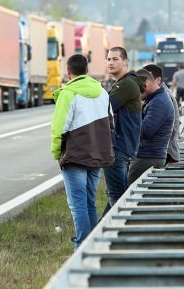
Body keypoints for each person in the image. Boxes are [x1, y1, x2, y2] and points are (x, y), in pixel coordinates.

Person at [51, 54, 114, 251]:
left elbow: (59, 128)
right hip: (97, 156)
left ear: (68, 72)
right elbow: (110, 123)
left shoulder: (68, 93)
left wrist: (56, 152)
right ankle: (91, 243)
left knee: (77, 203)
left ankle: (81, 245)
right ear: (87, 71)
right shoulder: (102, 92)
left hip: (75, 156)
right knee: (89, 200)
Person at [102, 46, 144, 216]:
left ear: (125, 62)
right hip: (124, 147)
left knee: (118, 199)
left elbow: (105, 109)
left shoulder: (126, 84)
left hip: (118, 147)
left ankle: (121, 237)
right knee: (117, 196)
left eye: (115, 59)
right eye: (109, 59)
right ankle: (92, 238)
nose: (111, 62)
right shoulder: (126, 83)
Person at [128, 68, 175, 185]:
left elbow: (145, 131)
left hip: (148, 157)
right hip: (150, 156)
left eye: (137, 89)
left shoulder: (159, 102)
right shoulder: (155, 99)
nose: (136, 93)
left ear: (147, 82)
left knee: (126, 195)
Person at [142, 63, 181, 165]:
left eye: (145, 80)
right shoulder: (156, 95)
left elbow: (149, 129)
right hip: (161, 150)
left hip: (163, 150)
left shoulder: (163, 98)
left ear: (158, 80)